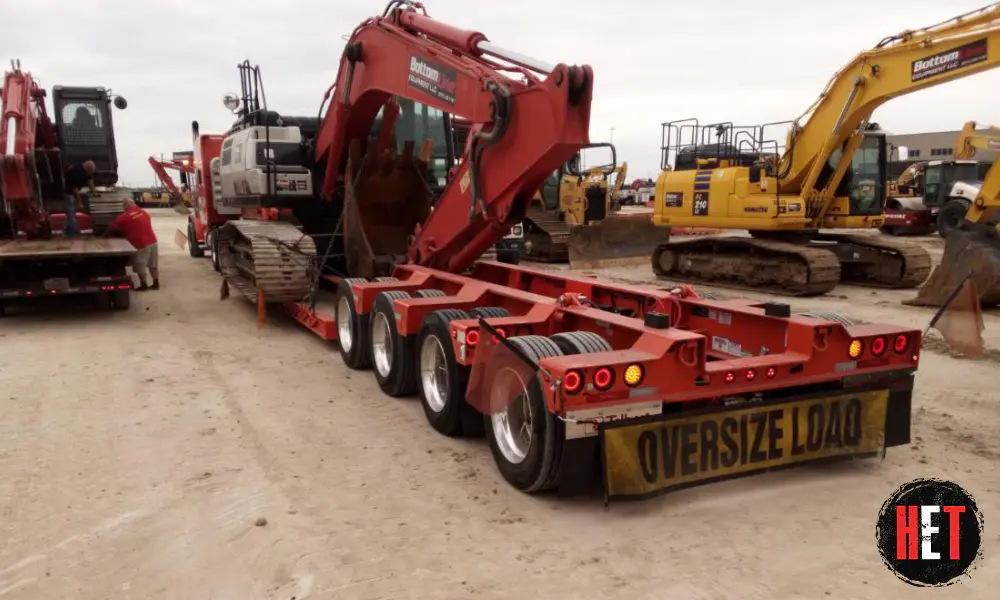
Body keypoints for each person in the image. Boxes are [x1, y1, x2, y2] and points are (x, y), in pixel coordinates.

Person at [106, 198, 160, 291]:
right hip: (152, 241)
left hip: (140, 243)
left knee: (140, 264)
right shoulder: (144, 213)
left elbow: (112, 229)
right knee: (153, 264)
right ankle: (156, 283)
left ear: (125, 205)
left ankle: (144, 285)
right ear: (134, 204)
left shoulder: (123, 217)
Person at [64, 160, 96, 236]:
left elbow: (90, 180)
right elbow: (74, 189)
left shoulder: (86, 170)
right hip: (69, 192)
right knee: (72, 212)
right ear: (87, 168)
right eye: (91, 171)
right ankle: (75, 232)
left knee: (70, 213)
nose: (91, 173)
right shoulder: (76, 171)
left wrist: (94, 192)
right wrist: (80, 202)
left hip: (74, 190)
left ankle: (65, 231)